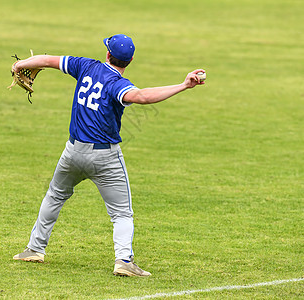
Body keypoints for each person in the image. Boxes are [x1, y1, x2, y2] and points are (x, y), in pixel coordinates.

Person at [12, 34, 205, 277]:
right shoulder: (117, 84)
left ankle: (34, 249)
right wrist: (184, 85)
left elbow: (48, 60)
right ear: (131, 60)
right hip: (105, 159)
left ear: (107, 53)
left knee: (54, 196)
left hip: (72, 152)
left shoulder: (85, 65)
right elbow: (142, 96)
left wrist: (21, 65)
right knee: (121, 213)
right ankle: (123, 261)